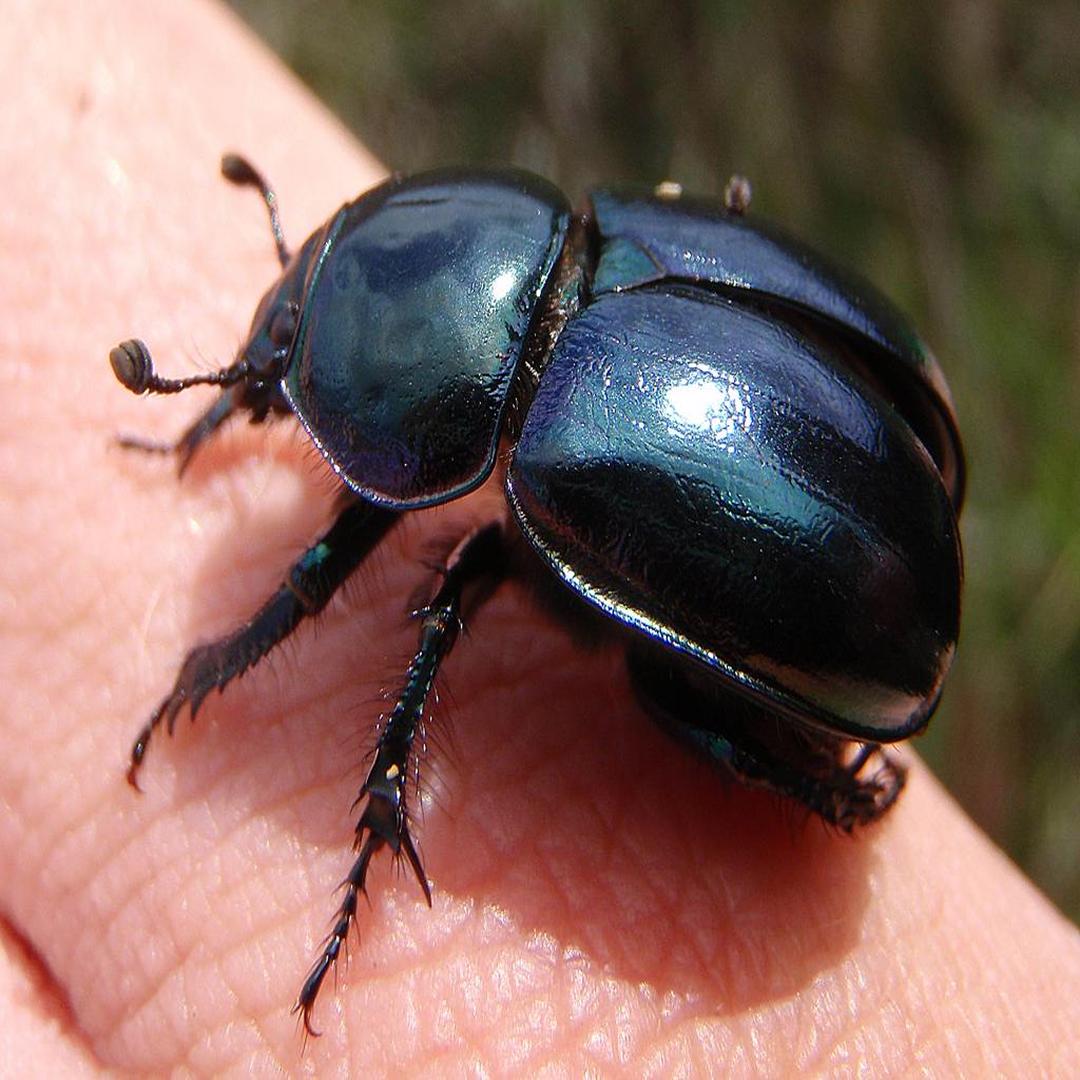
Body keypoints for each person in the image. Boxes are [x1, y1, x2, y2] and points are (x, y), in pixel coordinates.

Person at [1, 3, 1076, 1074]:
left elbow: (315, 582)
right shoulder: (590, 226)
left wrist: (210, 664)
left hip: (861, 579)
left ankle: (401, 806)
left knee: (654, 695)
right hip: (880, 457)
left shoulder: (559, 435)